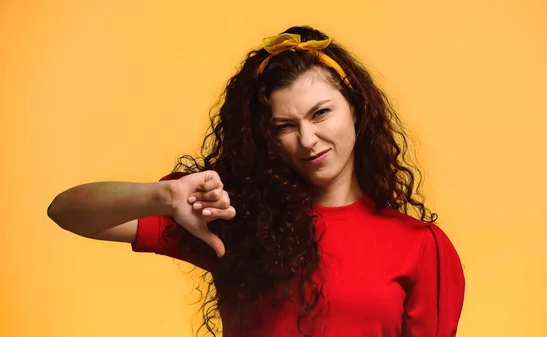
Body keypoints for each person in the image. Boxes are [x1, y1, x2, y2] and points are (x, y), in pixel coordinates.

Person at [48, 25, 465, 337]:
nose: (307, 139)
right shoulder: (237, 218)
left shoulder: (421, 247)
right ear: (268, 137)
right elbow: (66, 211)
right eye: (285, 126)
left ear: (355, 108)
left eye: (321, 113)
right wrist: (162, 194)